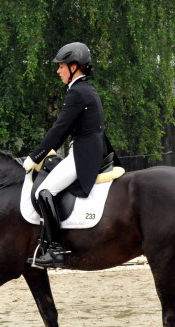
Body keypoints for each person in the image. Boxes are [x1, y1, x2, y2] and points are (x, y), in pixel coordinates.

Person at [23, 42, 117, 268]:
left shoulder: (77, 93)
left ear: (74, 66)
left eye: (61, 66)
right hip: (90, 149)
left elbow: (59, 129)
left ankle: (55, 250)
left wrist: (36, 156)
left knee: (44, 192)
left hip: (84, 154)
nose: (58, 71)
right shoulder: (86, 89)